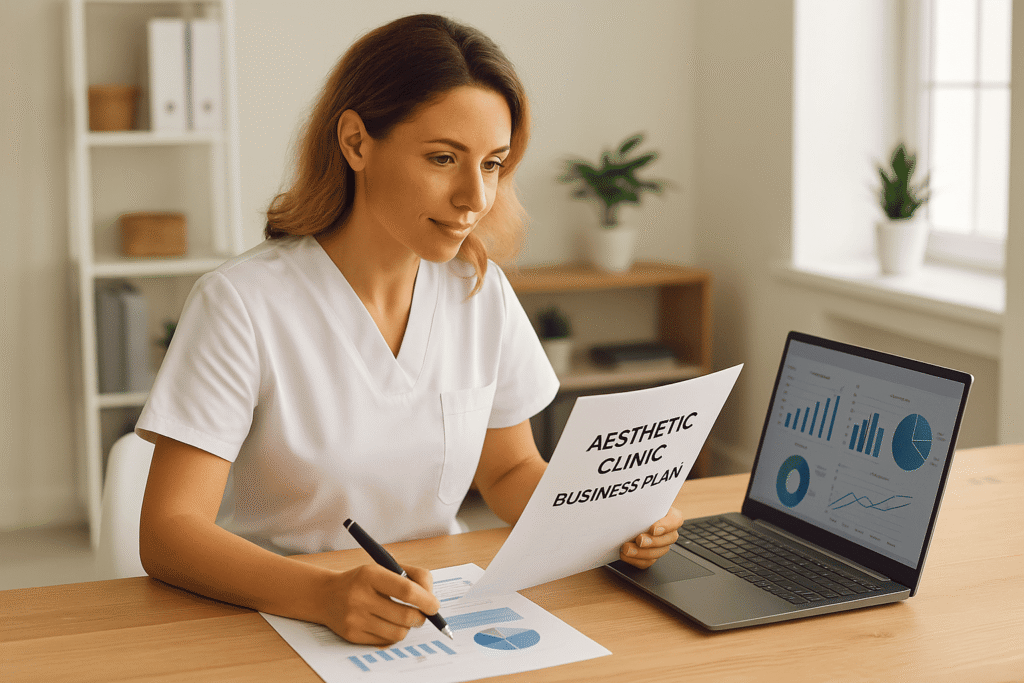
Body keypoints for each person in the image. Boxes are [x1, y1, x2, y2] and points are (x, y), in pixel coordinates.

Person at [137, 13, 683, 646]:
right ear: (356, 142)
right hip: (273, 616)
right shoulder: (241, 303)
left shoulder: (477, 293)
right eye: (444, 158)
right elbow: (169, 533)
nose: (474, 198)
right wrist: (323, 593)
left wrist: (609, 517)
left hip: (429, 614)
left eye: (492, 164)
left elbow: (508, 474)